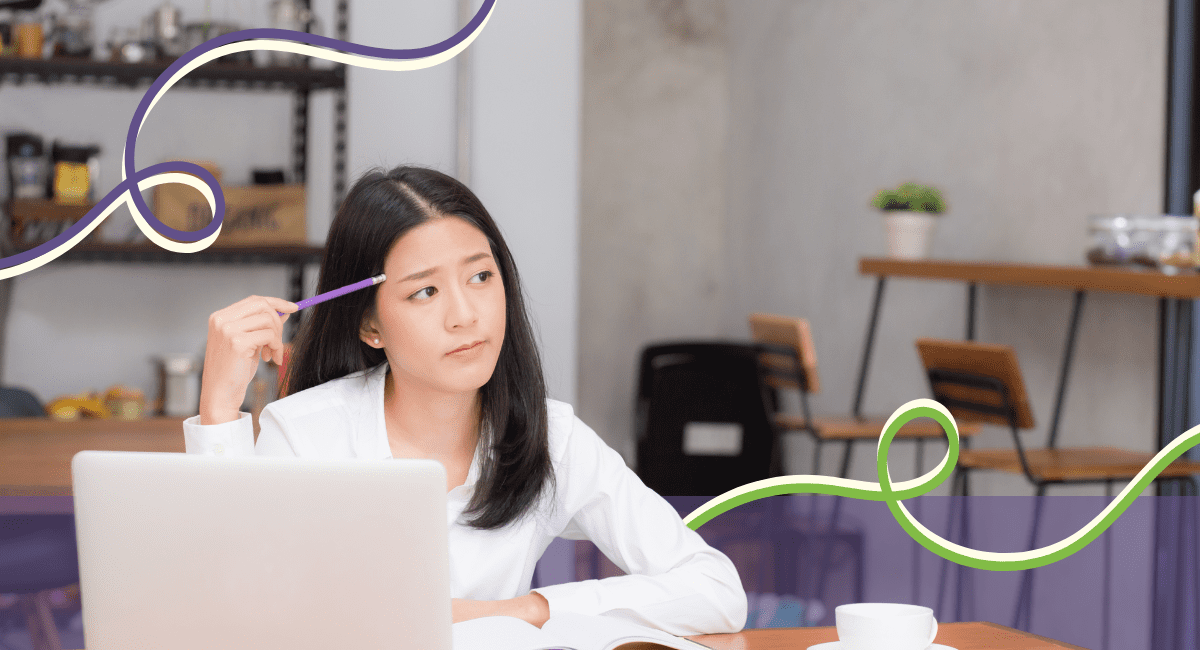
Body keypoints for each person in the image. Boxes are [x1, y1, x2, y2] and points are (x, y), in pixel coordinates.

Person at [183, 165, 747, 636]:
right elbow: (227, 617)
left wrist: (527, 610)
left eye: (480, 276)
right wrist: (218, 411)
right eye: (425, 291)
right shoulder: (307, 433)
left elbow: (716, 591)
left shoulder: (549, 437)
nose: (465, 314)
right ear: (370, 325)